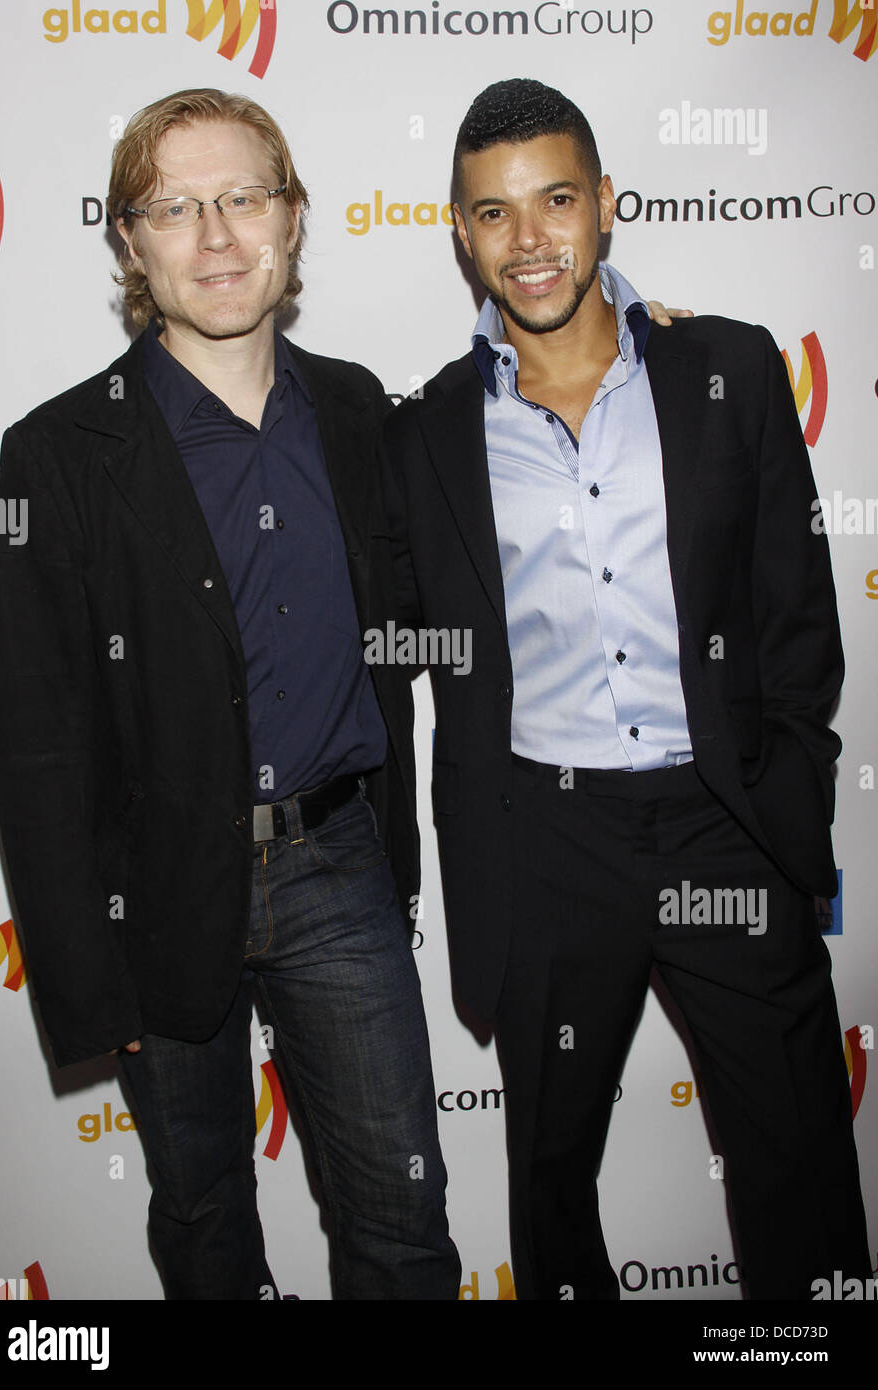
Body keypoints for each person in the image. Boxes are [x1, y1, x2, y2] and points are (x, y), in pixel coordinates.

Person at [382, 78, 870, 1301]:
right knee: (548, 1187)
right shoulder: (428, 432)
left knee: (797, 1160)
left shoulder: (730, 369)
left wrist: (780, 791)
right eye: (492, 214)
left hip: (720, 823)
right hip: (547, 843)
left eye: (554, 200)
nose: (529, 239)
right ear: (459, 233)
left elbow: (794, 615)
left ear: (604, 205)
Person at [0, 87, 459, 1301]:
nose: (215, 237)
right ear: (129, 241)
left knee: (402, 1226)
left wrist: (653, 341)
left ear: (294, 219)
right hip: (152, 891)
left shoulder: (359, 409)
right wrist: (86, 980)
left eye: (244, 197)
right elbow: (38, 747)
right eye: (175, 208)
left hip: (338, 868)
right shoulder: (55, 454)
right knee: (204, 1224)